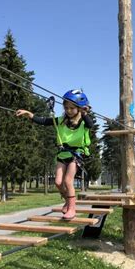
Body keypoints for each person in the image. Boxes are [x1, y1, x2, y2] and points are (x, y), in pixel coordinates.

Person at [15, 89, 92, 220]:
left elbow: (90, 124)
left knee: (68, 181)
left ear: (79, 108)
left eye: (72, 108)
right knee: (57, 182)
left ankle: (72, 209)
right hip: (62, 154)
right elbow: (44, 121)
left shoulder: (84, 122)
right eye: (66, 107)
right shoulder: (60, 121)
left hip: (76, 154)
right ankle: (68, 201)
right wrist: (29, 114)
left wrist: (84, 113)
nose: (68, 110)